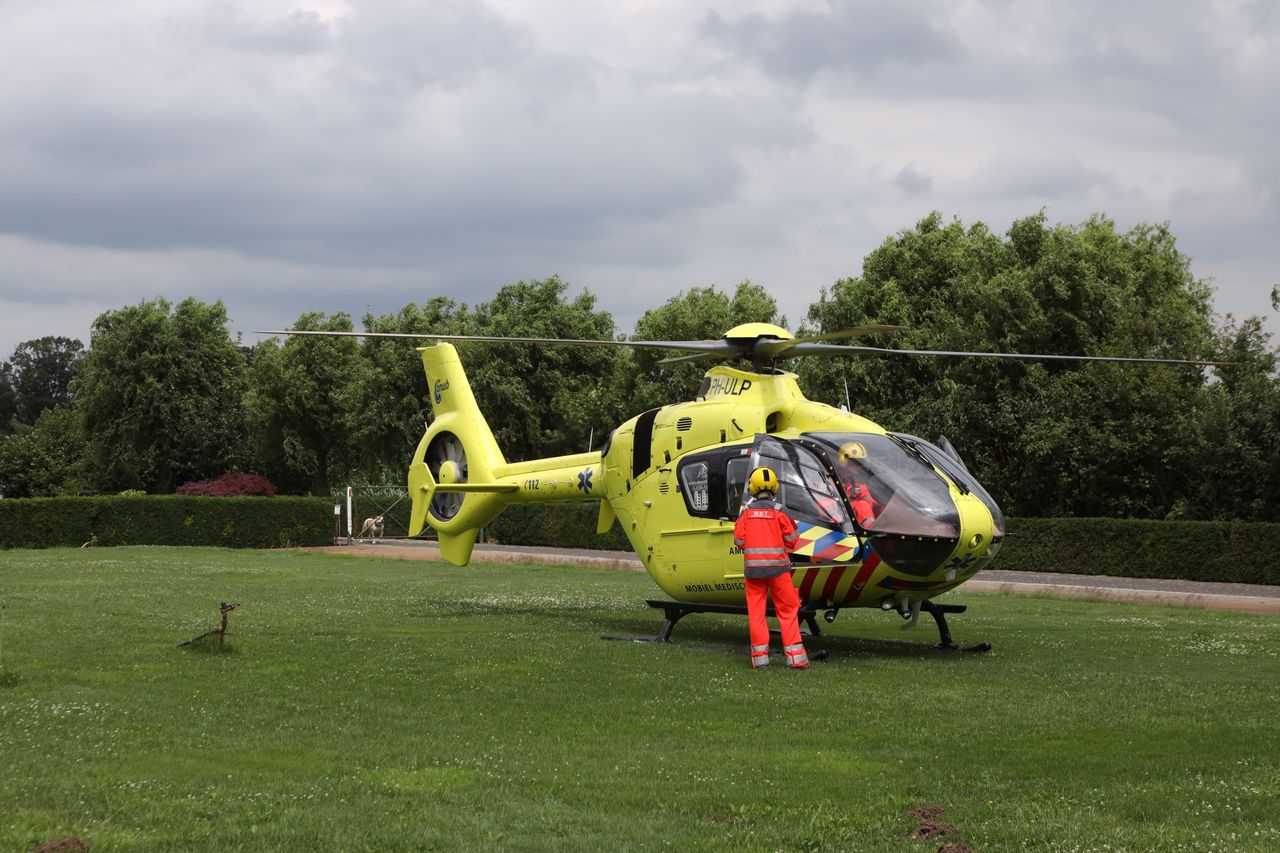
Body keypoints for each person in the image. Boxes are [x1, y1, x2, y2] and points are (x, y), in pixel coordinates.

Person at [733, 466, 809, 670]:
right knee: (788, 611)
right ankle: (795, 658)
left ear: (753, 487)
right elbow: (793, 540)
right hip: (779, 571)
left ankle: (760, 659)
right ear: (774, 486)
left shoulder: (746, 513)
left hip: (753, 573)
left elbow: (739, 541)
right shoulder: (780, 511)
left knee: (756, 613)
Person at [838, 442, 879, 528]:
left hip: (851, 522)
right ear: (846, 462)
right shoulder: (832, 479)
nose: (859, 466)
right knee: (862, 505)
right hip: (838, 523)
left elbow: (871, 501)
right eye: (856, 463)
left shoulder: (856, 482)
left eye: (860, 463)